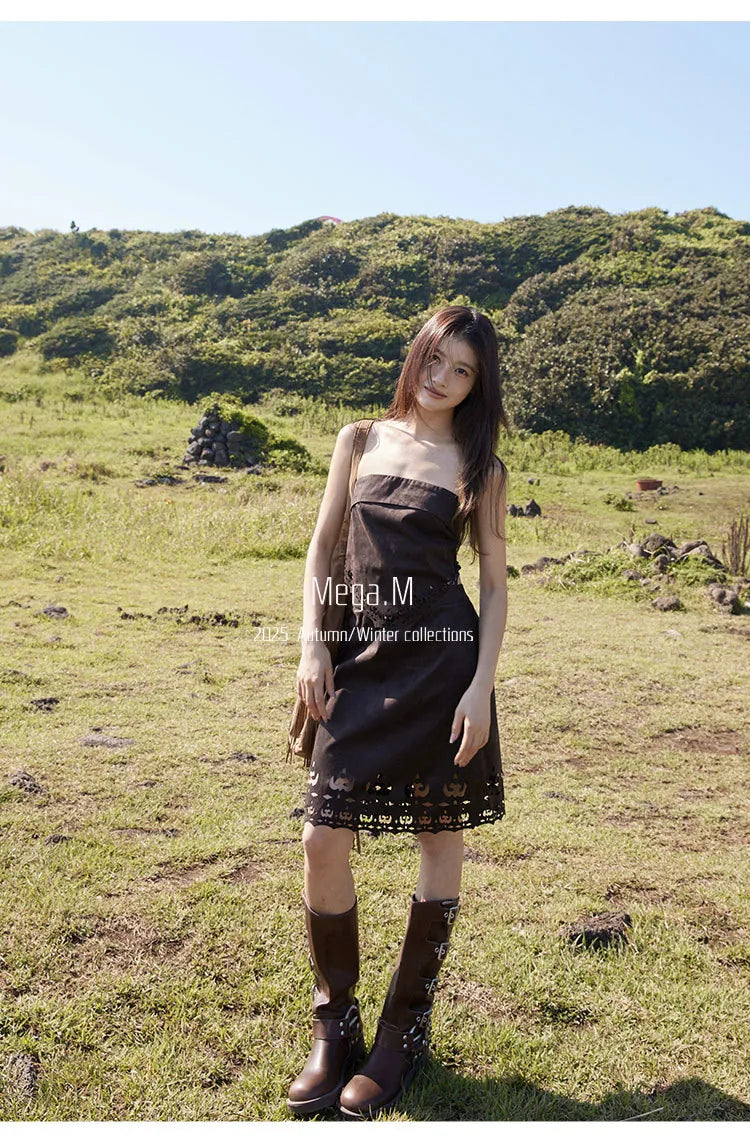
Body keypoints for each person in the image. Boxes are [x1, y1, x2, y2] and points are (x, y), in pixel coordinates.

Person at [286, 304, 509, 1120]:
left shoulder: (480, 466)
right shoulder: (358, 440)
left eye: (462, 370)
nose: (442, 378)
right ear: (415, 354)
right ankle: (334, 1025)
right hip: (357, 659)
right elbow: (322, 547)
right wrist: (313, 645)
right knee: (322, 837)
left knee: (437, 836)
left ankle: (401, 1035)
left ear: (478, 385)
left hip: (442, 667)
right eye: (435, 358)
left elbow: (493, 584)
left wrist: (480, 686)